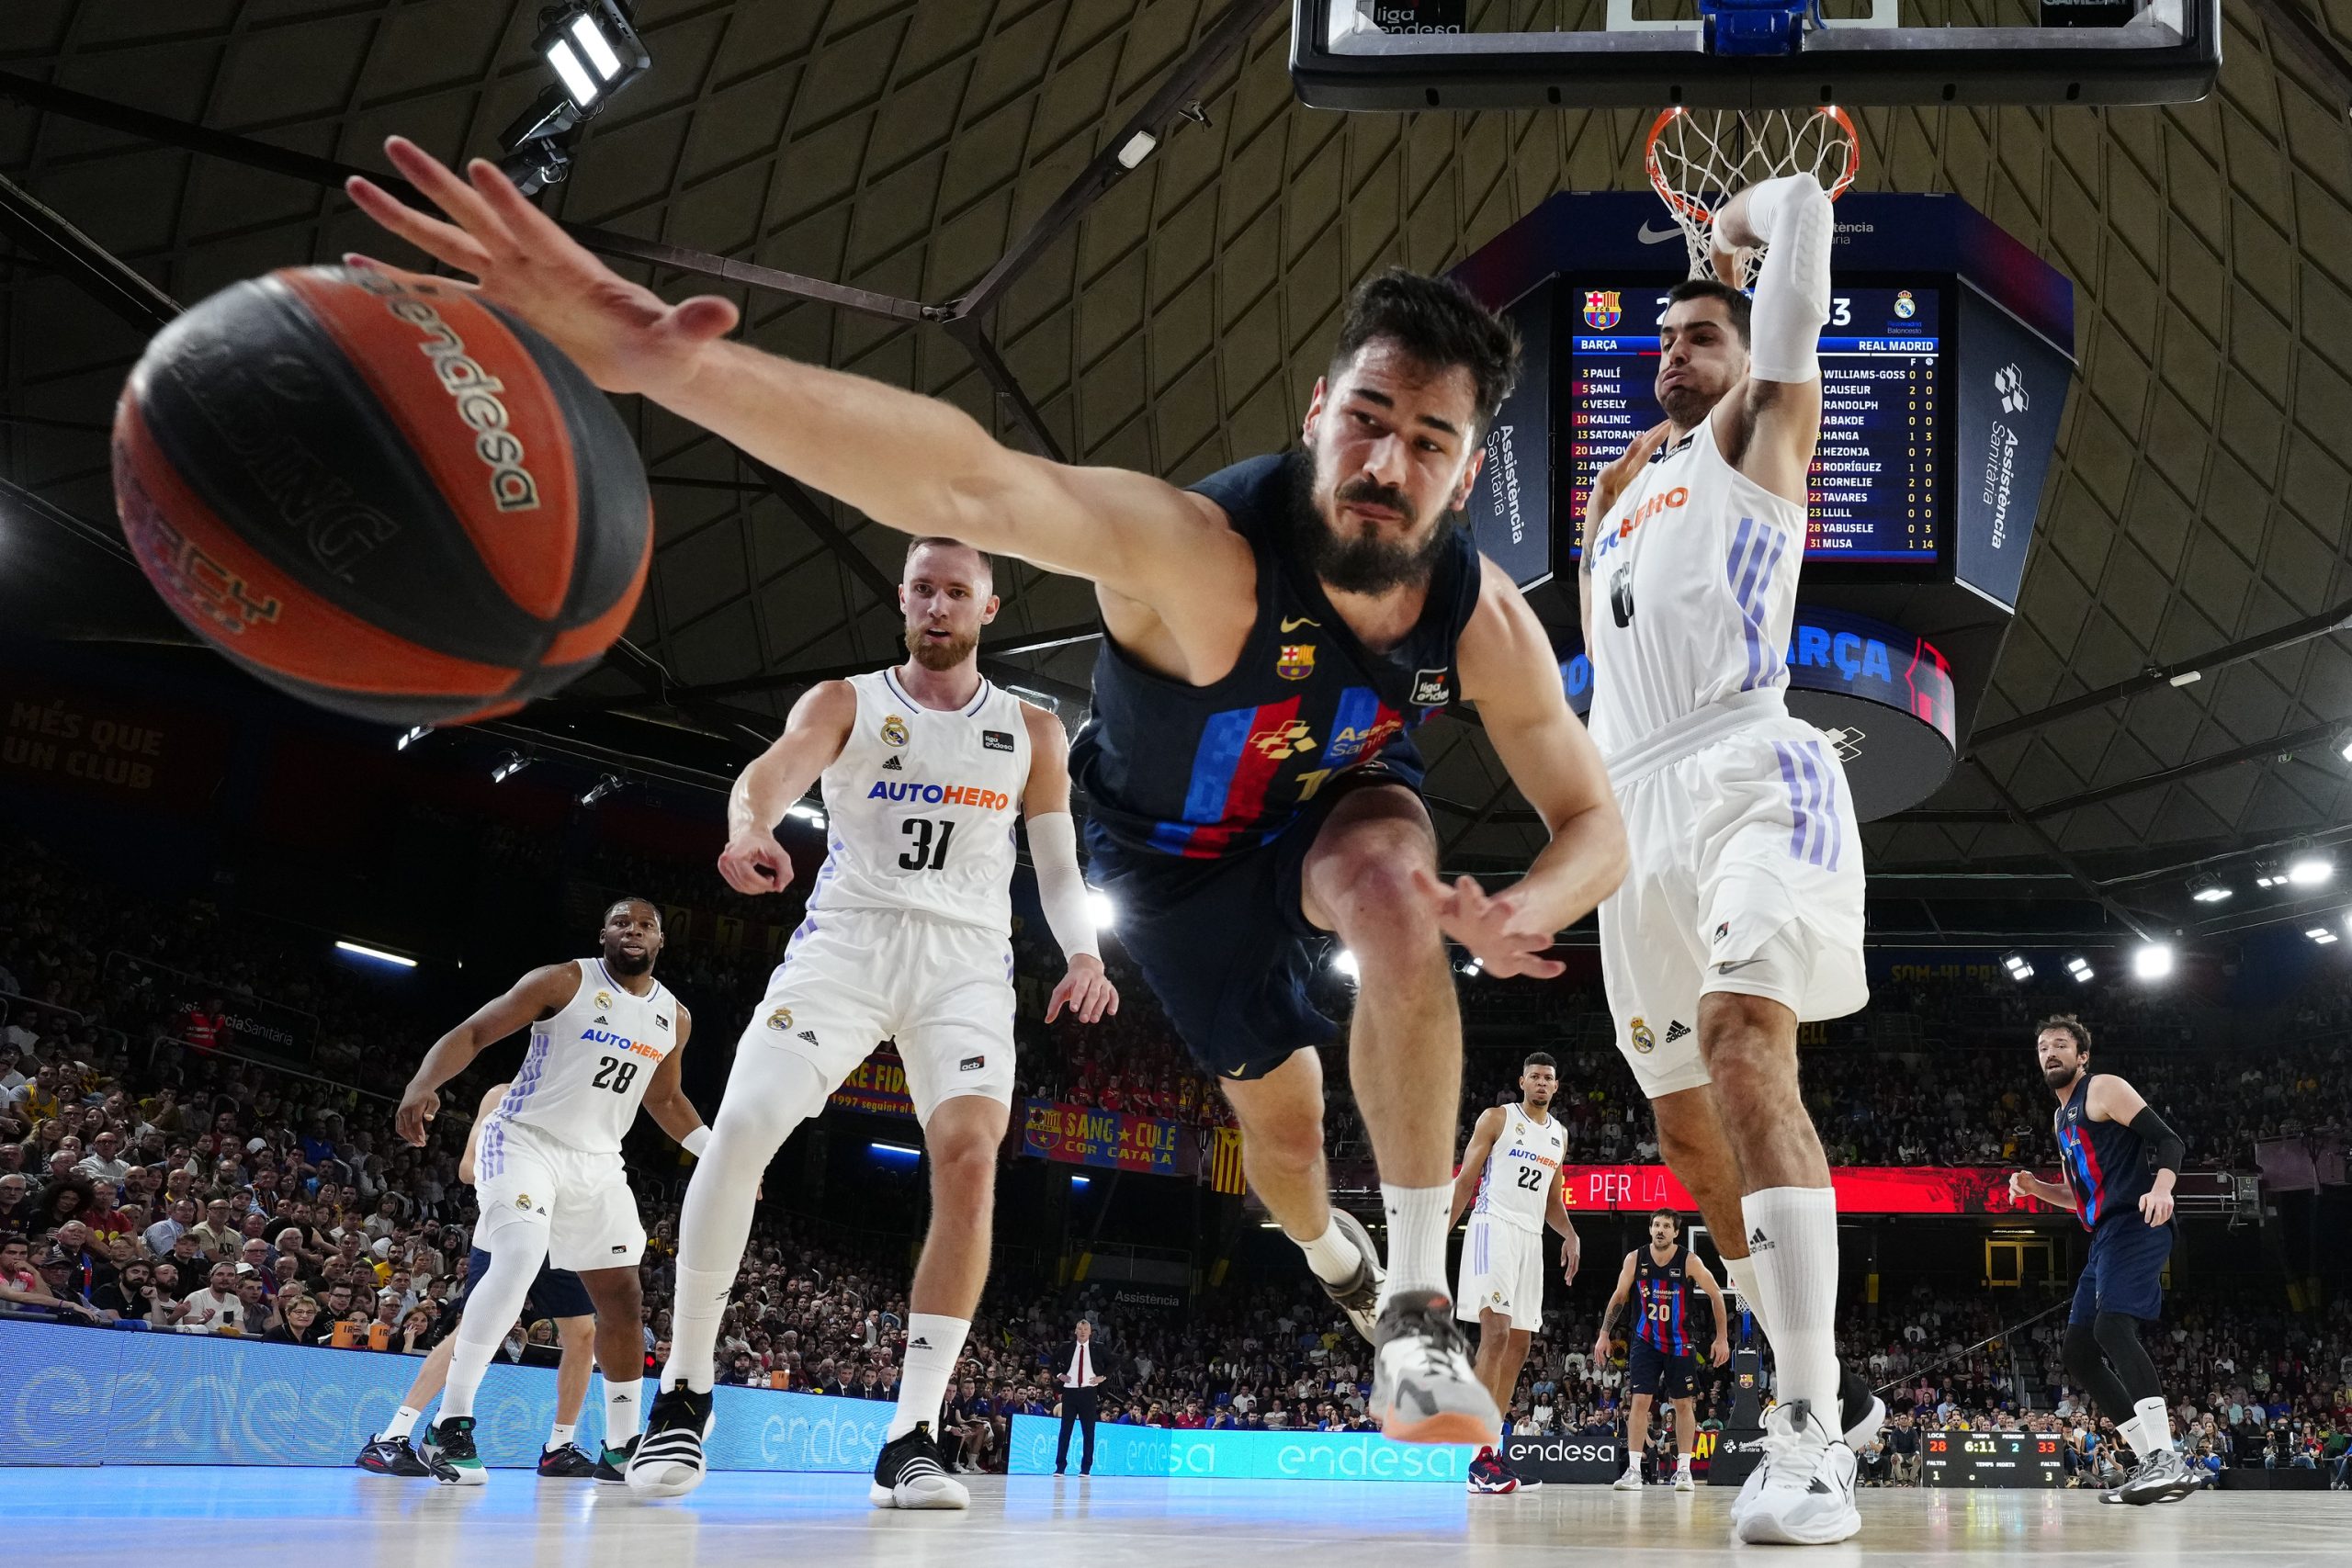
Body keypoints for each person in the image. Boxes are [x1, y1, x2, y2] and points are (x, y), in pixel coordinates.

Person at [346, 140, 1625, 1454]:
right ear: (1317, 411)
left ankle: (1415, 1307)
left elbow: (1596, 823)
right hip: (1177, 869)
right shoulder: (1198, 552)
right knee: (1292, 1166)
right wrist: (667, 359)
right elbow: (965, 479)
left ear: (1468, 474)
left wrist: (1532, 899)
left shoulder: (1478, 614)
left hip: (1343, 809)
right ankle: (1335, 1249)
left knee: (1401, 900)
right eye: (1368, 415)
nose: (1387, 459)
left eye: (1429, 440)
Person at [619, 540, 1115, 1512]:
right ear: (902, 600)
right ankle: (683, 1390)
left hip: (965, 963)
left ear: (988, 607)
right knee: (742, 1131)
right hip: (845, 946)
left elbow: (1058, 869)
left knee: (971, 1157)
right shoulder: (845, 701)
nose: (939, 605)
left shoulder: (1033, 728)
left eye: (957, 592)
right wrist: (747, 828)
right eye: (924, 589)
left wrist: (1086, 953)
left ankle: (912, 1434)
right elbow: (766, 776)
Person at [1577, 172, 1878, 1544]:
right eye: (1665, 340)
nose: (1673, 354)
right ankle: (1833, 1379)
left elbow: (1807, 219)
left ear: (1748, 354)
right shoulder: (1617, 489)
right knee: (1684, 1129)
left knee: (1744, 1039)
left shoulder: (1765, 426)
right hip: (1630, 814)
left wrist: (1748, 225)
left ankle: (1806, 1429)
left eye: (1701, 334)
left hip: (1753, 764)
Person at [392, 901, 708, 1485]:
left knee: (622, 1299)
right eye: (620, 922)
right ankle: (450, 1420)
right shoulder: (564, 980)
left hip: (597, 1162)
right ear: (603, 934)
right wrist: (422, 1083)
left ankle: (620, 1445)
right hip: (524, 1140)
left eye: (644, 924)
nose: (631, 930)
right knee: (517, 1256)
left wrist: (717, 1153)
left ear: (661, 939)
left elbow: (664, 1100)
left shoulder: (673, 1016)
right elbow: (475, 1032)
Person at [356, 1081, 613, 1479]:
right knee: (474, 1331)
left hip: (561, 1234)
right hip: (511, 1222)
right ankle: (393, 1435)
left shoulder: (590, 1103)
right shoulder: (503, 1095)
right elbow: (469, 1167)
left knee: (583, 1333)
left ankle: (559, 1447)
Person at [2009, 1013, 2194, 1506]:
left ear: (2082, 1056)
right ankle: (2146, 1463)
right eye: (2043, 1046)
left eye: (2062, 1045)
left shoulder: (2103, 1088)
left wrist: (2162, 1188)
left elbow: (2170, 1140)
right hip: (2105, 1233)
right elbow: (2079, 1197)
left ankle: (2167, 1457)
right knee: (2077, 1351)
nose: (2051, 1052)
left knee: (2112, 1329)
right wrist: (2035, 1188)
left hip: (2138, 1222)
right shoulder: (2059, 1117)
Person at [1448, 1051, 1581, 1495]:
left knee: (1521, 1343)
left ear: (1556, 1086)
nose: (1542, 1083)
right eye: (1536, 1076)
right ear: (1522, 1081)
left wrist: (1571, 1235)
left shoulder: (1558, 1135)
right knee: (1497, 1334)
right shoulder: (1497, 1119)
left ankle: (1494, 1450)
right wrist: (1437, 1237)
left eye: (1549, 1077)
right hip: (1492, 1227)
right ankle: (1478, 1459)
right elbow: (1467, 1179)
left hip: (1530, 1239)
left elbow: (1551, 1202)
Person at [1595, 1210, 1731, 1493]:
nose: (1660, 1229)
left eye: (1666, 1226)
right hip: (1645, 1340)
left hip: (1680, 1342)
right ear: (1650, 1229)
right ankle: (1633, 1471)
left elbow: (1716, 1294)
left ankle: (1683, 1471)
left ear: (1676, 1232)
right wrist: (1604, 1334)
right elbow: (1619, 1297)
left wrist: (1722, 1338)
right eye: (1656, 1224)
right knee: (1639, 1402)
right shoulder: (1635, 1259)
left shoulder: (1689, 1261)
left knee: (1683, 1404)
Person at [1055, 1317, 1109, 1476]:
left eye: (1086, 1329)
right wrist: (1059, 1374)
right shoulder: (1067, 1347)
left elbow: (1114, 1362)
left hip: (1089, 1392)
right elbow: (1053, 1361)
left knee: (1088, 1432)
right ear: (1076, 1331)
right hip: (1070, 1392)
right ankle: (1060, 1467)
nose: (1083, 1332)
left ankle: (1085, 1468)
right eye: (1080, 1329)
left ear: (1090, 1332)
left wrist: (1103, 1377)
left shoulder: (1098, 1348)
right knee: (1065, 1431)